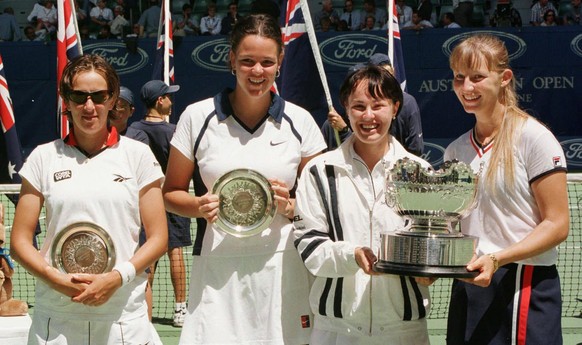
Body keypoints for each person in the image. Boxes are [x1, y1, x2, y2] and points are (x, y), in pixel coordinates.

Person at [162, 14, 326, 344]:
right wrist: (198, 206)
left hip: (284, 266)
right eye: (247, 61)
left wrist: (291, 206)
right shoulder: (196, 117)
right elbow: (171, 193)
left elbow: (321, 204)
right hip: (217, 266)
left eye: (267, 62)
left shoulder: (301, 122)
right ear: (231, 61)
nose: (257, 71)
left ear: (280, 62)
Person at [9, 54, 168, 344]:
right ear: (65, 101)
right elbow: (20, 241)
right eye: (79, 96)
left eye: (98, 96)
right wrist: (57, 280)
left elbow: (158, 237)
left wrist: (117, 277)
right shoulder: (43, 158)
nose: (89, 106)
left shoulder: (138, 156)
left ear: (113, 100)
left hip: (123, 316)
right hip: (56, 318)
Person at [444, 33, 569, 344]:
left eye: (477, 77)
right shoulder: (454, 152)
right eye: (459, 78)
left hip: (524, 284)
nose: (466, 88)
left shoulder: (534, 138)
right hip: (470, 283)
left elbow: (557, 224)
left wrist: (498, 258)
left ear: (504, 78)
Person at [294, 65, 432, 345]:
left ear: (395, 108)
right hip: (335, 330)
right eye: (358, 106)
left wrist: (430, 270)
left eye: (378, 105)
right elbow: (309, 246)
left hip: (405, 331)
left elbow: (430, 244)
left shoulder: (422, 173)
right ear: (345, 109)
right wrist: (352, 255)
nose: (368, 116)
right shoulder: (319, 171)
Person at [129, 80, 192, 328]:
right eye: (167, 97)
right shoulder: (175, 131)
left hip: (146, 199)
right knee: (174, 253)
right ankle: (180, 311)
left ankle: (143, 310)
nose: (171, 101)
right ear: (159, 101)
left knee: (147, 255)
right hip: (171, 198)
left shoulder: (133, 129)